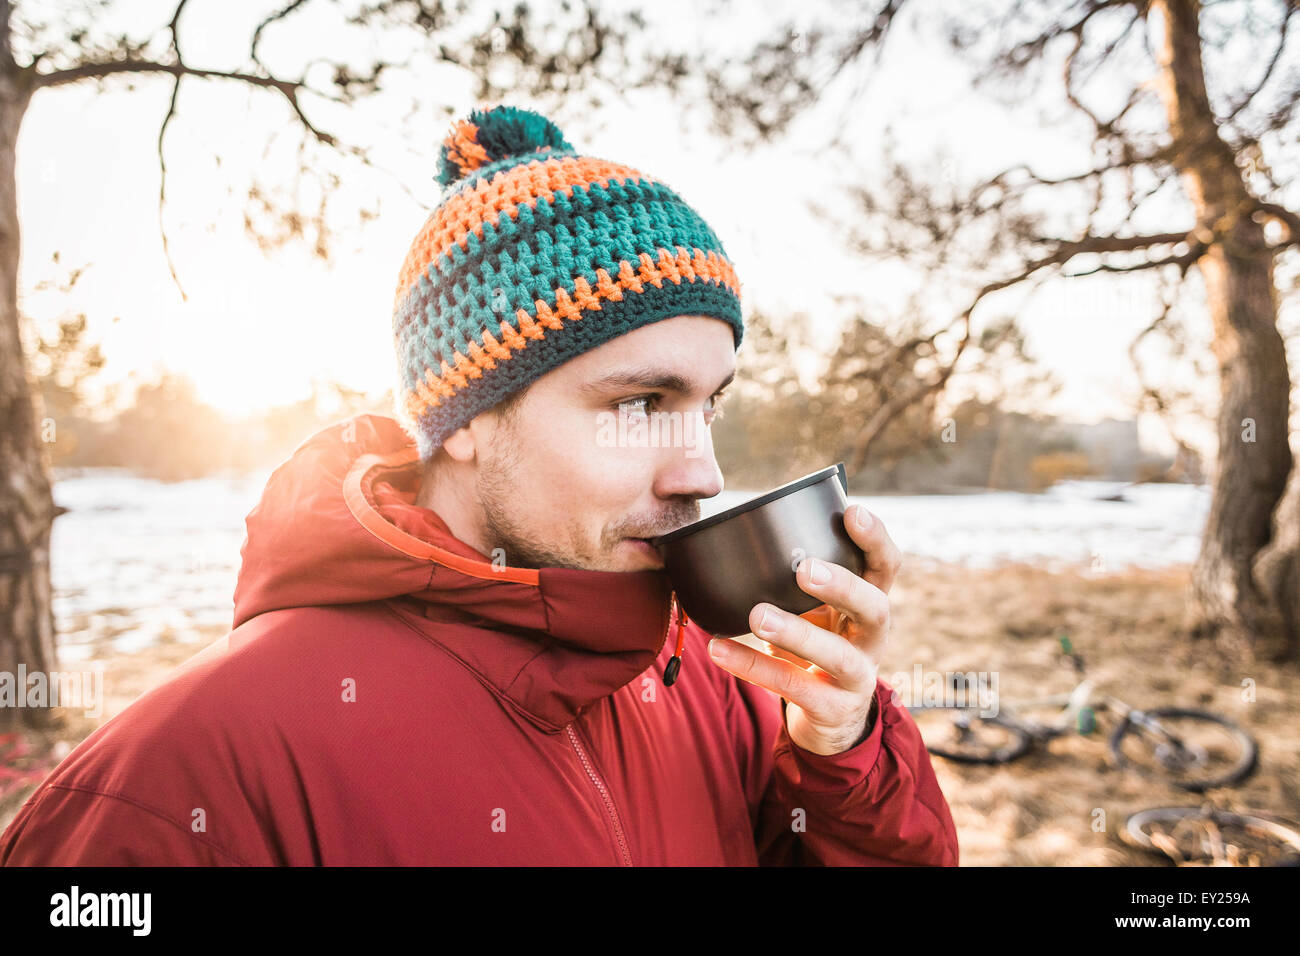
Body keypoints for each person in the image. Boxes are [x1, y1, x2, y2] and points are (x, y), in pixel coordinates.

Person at [0, 105, 958, 866]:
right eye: (638, 404)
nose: (701, 469)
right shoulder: (172, 785)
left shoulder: (723, 683)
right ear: (463, 423)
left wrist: (843, 753)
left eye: (706, 405)